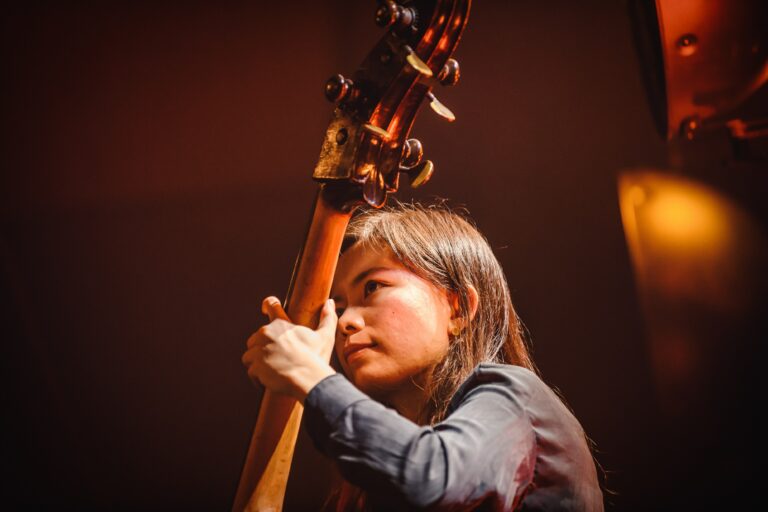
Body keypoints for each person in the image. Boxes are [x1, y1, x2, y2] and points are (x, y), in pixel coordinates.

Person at [242, 203, 604, 511]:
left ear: (458, 308)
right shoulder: (367, 482)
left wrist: (310, 375)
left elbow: (432, 477)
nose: (345, 322)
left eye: (372, 287)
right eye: (338, 308)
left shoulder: (513, 397)